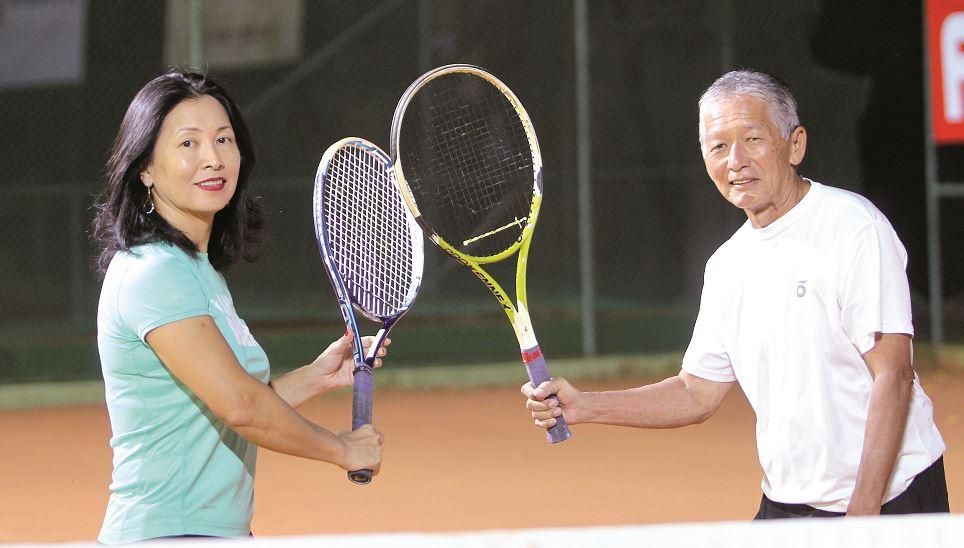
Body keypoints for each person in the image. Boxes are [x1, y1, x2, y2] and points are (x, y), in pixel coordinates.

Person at [523, 70, 948, 518]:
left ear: (795, 144)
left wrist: (862, 519)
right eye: (718, 147)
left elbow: (893, 375)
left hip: (891, 500)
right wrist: (585, 405)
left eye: (753, 139)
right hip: (788, 503)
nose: (736, 161)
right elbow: (695, 392)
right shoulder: (728, 265)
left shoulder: (855, 229)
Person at [90, 70, 387, 543]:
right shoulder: (154, 274)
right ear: (144, 167)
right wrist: (342, 450)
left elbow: (217, 410)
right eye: (188, 144)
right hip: (169, 534)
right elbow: (242, 409)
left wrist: (318, 374)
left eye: (223, 139)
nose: (212, 158)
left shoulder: (196, 271)